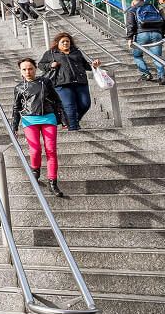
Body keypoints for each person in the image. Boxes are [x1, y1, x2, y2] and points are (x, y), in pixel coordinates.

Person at [11, 58, 68, 197]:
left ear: (35, 68)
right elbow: (16, 107)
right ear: (20, 71)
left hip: (48, 118)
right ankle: (35, 171)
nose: (27, 72)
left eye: (30, 68)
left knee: (51, 150)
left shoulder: (45, 82)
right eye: (24, 69)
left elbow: (57, 100)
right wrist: (14, 126)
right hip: (29, 120)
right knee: (35, 149)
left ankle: (52, 183)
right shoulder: (19, 88)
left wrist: (64, 119)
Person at [37, 33, 101, 131]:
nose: (66, 43)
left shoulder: (76, 52)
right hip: (62, 83)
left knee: (85, 104)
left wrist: (94, 65)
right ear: (57, 43)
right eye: (63, 41)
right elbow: (41, 65)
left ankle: (71, 121)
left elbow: (85, 65)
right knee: (69, 106)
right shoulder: (51, 53)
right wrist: (50, 65)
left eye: (67, 41)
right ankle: (73, 128)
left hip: (80, 82)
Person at [125, 0, 165, 84]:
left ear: (133, 2)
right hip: (156, 33)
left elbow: (130, 24)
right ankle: (162, 76)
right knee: (157, 57)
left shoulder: (132, 10)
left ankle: (146, 74)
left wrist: (129, 38)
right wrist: (161, 34)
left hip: (141, 34)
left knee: (137, 55)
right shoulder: (153, 8)